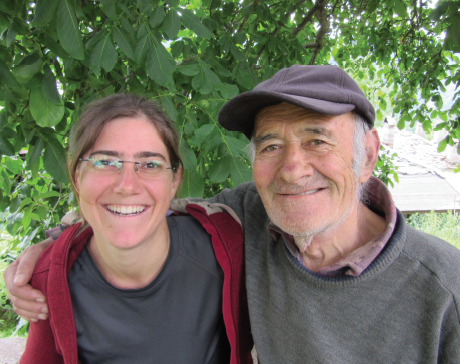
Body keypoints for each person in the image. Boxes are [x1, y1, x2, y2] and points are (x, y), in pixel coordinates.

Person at [6, 66, 460, 363]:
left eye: (317, 140)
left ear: (368, 156)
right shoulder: (251, 218)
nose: (293, 169)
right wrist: (53, 245)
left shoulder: (445, 288)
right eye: (270, 146)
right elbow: (138, 204)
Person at [14, 94, 252, 364]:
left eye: (150, 164)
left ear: (175, 180)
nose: (127, 185)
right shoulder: (52, 276)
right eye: (105, 162)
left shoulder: (226, 248)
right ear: (76, 177)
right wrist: (52, 251)